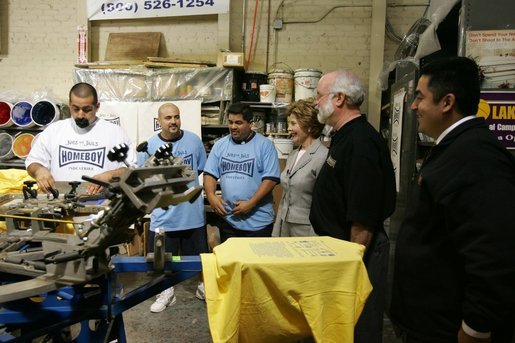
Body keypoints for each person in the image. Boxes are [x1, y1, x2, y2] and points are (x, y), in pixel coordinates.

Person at [390, 57, 515, 342]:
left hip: (446, 330)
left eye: (420, 97)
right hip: (428, 322)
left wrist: (475, 329)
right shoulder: (454, 147)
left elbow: (493, 253)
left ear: (447, 102)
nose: (412, 106)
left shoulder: (477, 156)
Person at [309, 70, 396, 343]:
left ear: (339, 98)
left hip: (359, 252)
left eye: (318, 96)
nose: (314, 103)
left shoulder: (361, 141)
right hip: (343, 250)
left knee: (358, 328)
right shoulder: (343, 134)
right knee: (341, 326)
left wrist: (351, 268)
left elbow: (363, 217)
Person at [137, 103, 208, 313]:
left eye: (176, 117)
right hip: (163, 217)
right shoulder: (148, 146)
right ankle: (166, 292)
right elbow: (143, 181)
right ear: (159, 121)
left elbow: (200, 169)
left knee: (200, 260)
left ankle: (203, 288)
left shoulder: (194, 141)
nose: (173, 121)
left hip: (192, 214)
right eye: (168, 118)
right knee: (160, 261)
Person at [26, 82, 135, 195]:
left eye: (87, 109)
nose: (80, 115)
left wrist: (108, 176)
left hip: (101, 200)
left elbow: (131, 170)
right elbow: (32, 163)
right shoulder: (54, 131)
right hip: (59, 201)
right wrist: (39, 171)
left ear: (97, 106)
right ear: (70, 104)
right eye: (76, 109)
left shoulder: (115, 133)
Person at [204, 102, 280, 242]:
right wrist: (211, 196)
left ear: (250, 123)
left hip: (258, 224)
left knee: (256, 263)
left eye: (238, 123)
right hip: (229, 221)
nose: (233, 127)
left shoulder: (265, 145)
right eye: (231, 122)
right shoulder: (220, 145)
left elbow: (270, 180)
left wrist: (251, 203)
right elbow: (210, 174)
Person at [272, 99, 327, 237]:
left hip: (307, 231)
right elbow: (285, 198)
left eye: (293, 124)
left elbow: (323, 204)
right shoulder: (293, 154)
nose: (289, 128)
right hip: (285, 227)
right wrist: (276, 230)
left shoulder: (322, 156)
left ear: (308, 126)